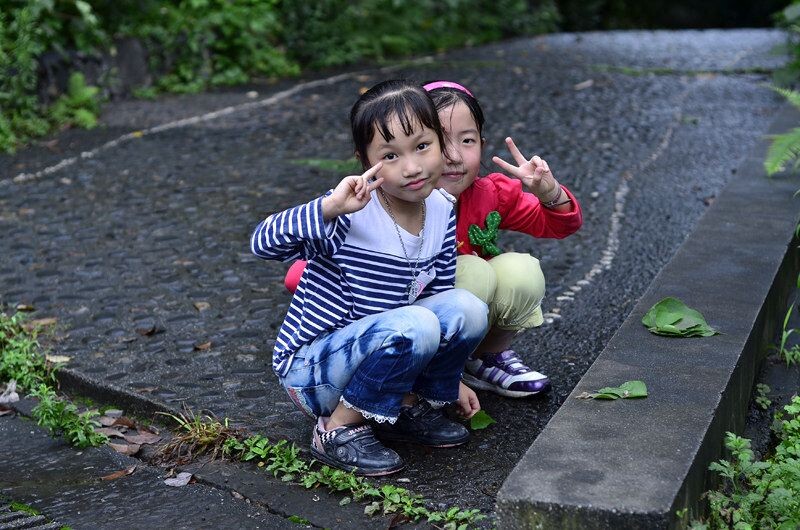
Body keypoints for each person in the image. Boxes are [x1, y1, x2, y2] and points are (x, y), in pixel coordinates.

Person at [251, 80, 488, 476]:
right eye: (391, 155)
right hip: (314, 370)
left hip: (385, 348)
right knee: (417, 321)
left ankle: (407, 407)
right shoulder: (351, 211)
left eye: (422, 146)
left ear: (441, 142)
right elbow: (262, 244)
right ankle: (337, 427)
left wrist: (450, 379)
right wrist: (328, 207)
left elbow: (441, 292)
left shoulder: (441, 208)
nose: (411, 167)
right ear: (366, 161)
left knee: (468, 308)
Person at [422, 80, 583, 398]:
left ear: (481, 144)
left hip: (466, 307)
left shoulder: (490, 192)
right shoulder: (397, 200)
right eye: (438, 142)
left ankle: (485, 357)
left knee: (519, 271)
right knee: (473, 270)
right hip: (414, 320)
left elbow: (559, 226)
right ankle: (427, 373)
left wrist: (549, 193)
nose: (454, 155)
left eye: (467, 140)